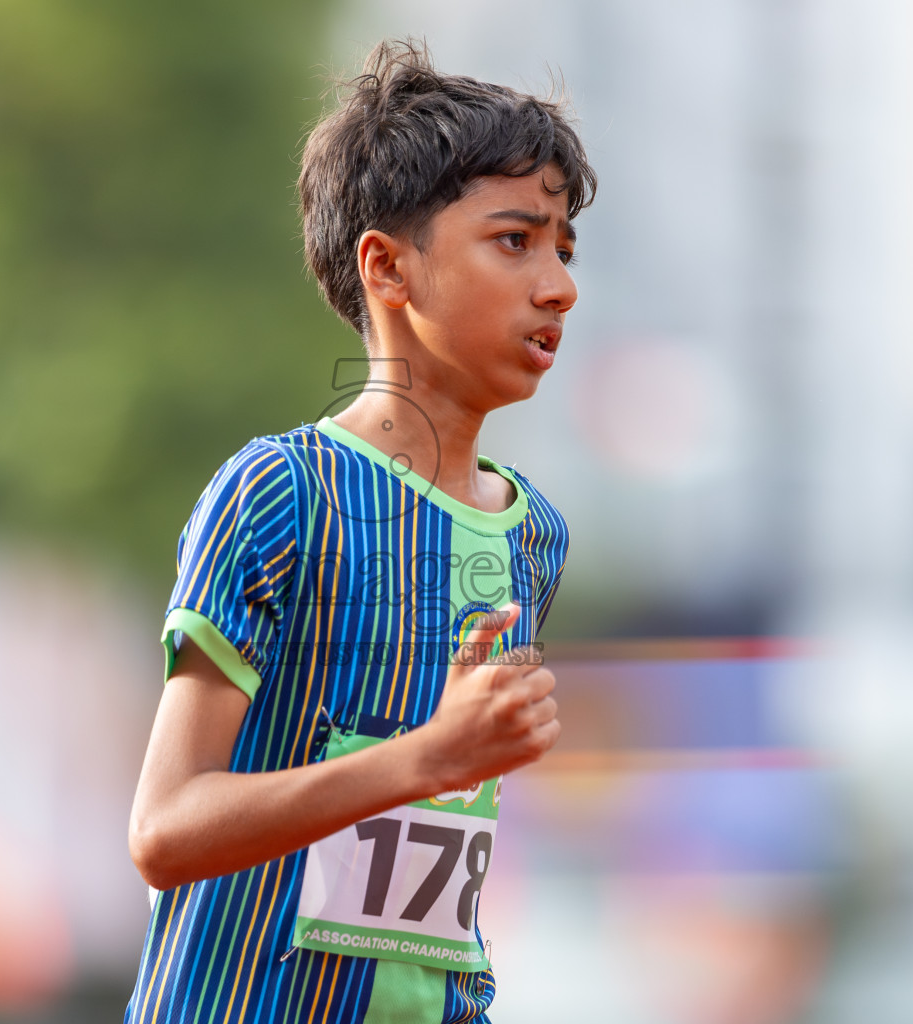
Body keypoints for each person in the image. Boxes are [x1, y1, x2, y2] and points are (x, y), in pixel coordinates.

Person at [124, 38, 596, 1024]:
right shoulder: (280, 494)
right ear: (387, 267)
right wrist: (425, 755)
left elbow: (428, 865)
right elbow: (165, 828)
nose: (558, 286)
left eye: (564, 246)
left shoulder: (533, 534)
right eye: (515, 240)